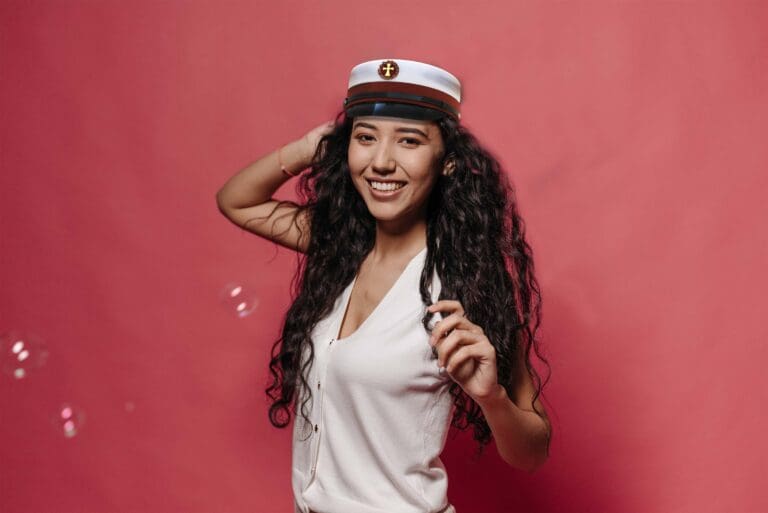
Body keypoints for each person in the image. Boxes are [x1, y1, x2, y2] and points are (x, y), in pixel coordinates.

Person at [216, 58, 552, 513]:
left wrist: (491, 398)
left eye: (409, 141)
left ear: (448, 161)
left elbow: (532, 453)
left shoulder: (464, 285)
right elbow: (237, 201)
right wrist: (308, 147)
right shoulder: (341, 250)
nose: (381, 162)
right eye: (365, 138)